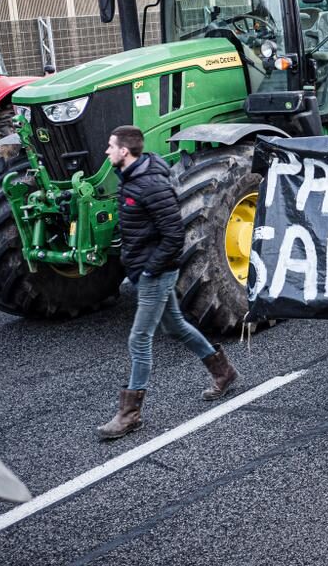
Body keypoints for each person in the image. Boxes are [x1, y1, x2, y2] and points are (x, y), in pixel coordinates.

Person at [96, 125, 240, 440]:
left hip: (156, 274)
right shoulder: (131, 179)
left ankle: (129, 414)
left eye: (111, 146)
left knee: (139, 338)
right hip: (145, 270)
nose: (106, 152)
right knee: (175, 326)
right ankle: (223, 372)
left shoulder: (150, 185)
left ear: (125, 151)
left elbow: (174, 234)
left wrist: (150, 270)